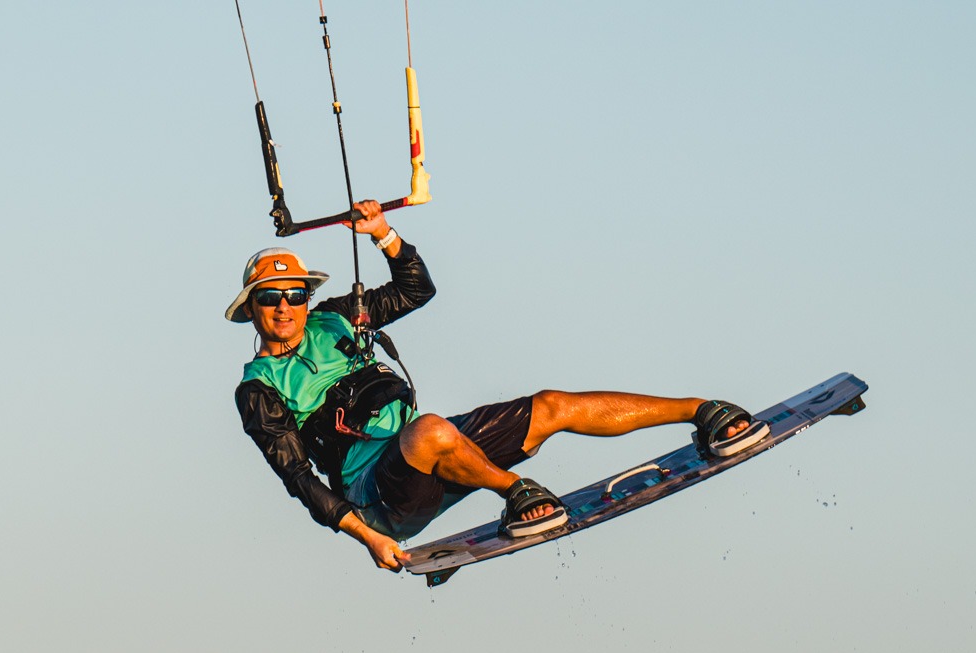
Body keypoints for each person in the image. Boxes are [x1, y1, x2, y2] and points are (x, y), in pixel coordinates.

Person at [231, 199, 768, 573]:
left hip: (435, 451)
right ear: (252, 309)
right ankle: (513, 492)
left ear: (306, 296)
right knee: (430, 432)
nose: (285, 307)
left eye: (294, 294)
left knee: (551, 406)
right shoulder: (258, 389)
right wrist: (371, 538)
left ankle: (701, 411)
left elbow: (416, 289)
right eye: (270, 298)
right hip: (381, 496)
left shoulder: (337, 318)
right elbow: (299, 480)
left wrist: (384, 237)